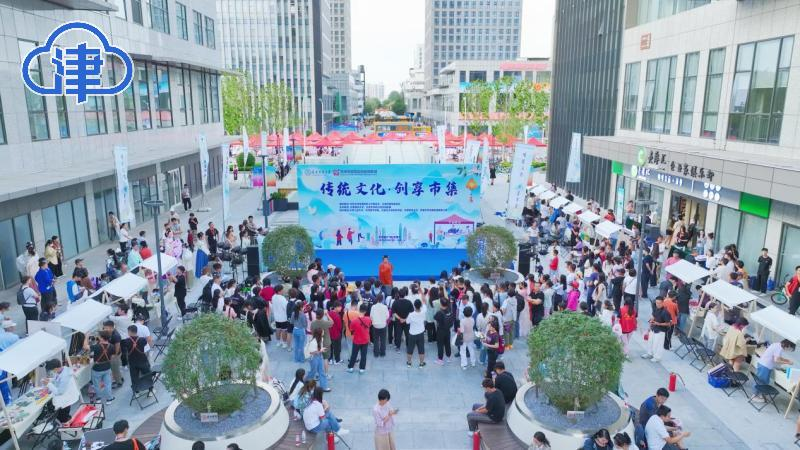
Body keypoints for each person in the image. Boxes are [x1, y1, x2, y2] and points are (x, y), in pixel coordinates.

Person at [83, 331, 116, 403]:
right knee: (108, 384)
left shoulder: (96, 346)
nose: (98, 337)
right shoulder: (112, 346)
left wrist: (86, 336)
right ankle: (109, 399)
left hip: (97, 369)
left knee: (96, 385)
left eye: (99, 336)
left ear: (102, 338)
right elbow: (112, 357)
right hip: (107, 368)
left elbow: (85, 347)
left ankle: (98, 399)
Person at [44, 359, 79, 423]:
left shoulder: (65, 376)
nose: (52, 372)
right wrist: (50, 380)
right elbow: (57, 378)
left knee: (63, 417)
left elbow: (59, 392)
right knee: (63, 413)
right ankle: (67, 419)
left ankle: (66, 422)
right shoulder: (63, 369)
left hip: (67, 398)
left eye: (52, 370)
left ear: (56, 368)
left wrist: (48, 384)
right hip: (66, 396)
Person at [641, 297, 671, 363]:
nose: (658, 304)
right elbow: (653, 317)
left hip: (661, 330)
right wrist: (650, 325)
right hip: (653, 328)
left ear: (663, 303)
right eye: (657, 303)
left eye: (659, 303)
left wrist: (658, 323)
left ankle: (657, 357)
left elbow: (668, 323)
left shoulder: (666, 312)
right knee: (650, 342)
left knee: (658, 344)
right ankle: (649, 353)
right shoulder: (655, 308)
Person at [347, 304, 372, 373]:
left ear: (359, 310)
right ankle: (362, 368)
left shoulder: (354, 321)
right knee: (363, 355)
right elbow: (369, 325)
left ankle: (351, 367)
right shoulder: (368, 319)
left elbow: (351, 329)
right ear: (365, 311)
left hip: (356, 340)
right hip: (365, 339)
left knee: (354, 354)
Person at [406, 299, 427, 368]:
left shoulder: (411, 314)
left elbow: (407, 322)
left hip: (412, 333)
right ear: (420, 306)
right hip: (421, 333)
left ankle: (409, 363)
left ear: (414, 306)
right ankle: (421, 363)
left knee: (410, 349)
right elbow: (424, 304)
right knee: (421, 349)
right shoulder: (423, 312)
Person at [434, 298, 454, 364]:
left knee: (440, 345)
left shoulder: (439, 312)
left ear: (441, 304)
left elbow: (435, 318)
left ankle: (440, 359)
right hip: (448, 330)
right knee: (447, 343)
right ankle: (448, 357)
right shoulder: (449, 310)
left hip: (440, 330)